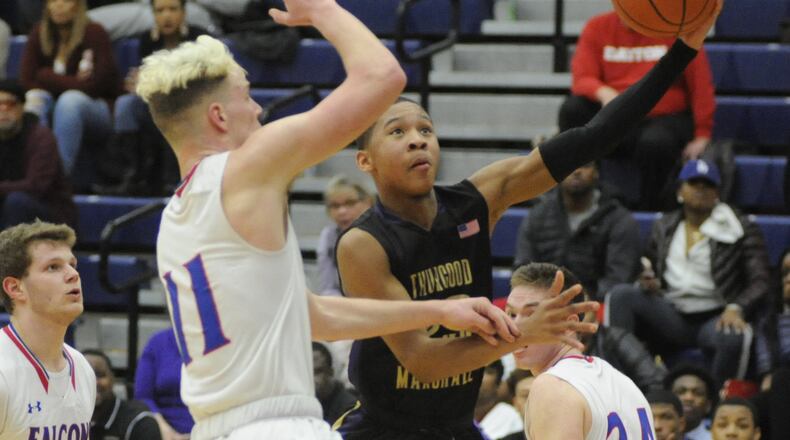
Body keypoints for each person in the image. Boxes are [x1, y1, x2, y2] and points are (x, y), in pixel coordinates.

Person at [137, 1, 527, 438]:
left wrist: (441, 310)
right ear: (219, 117)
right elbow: (383, 78)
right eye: (247, 97)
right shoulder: (243, 169)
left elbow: (314, 316)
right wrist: (321, 10)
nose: (259, 112)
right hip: (277, 427)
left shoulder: (174, 219)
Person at [334, 3, 720, 437]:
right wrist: (523, 334)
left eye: (425, 129)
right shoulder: (363, 244)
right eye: (397, 132)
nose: (417, 141)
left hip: (458, 426)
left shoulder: (477, 200)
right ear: (365, 160)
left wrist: (682, 52)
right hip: (386, 429)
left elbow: (593, 136)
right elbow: (423, 360)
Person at [607, 159, 772, 387]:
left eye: (708, 185)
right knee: (621, 296)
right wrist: (648, 282)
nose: (700, 190)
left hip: (715, 315)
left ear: (717, 193)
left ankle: (717, 404)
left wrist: (737, 307)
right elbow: (649, 267)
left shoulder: (741, 228)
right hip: (671, 313)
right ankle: (618, 384)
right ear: (680, 191)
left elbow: (761, 280)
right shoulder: (664, 225)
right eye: (694, 183)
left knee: (735, 335)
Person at [560, 10, 716, 210]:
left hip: (662, 119)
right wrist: (603, 92)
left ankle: (651, 211)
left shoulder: (674, 27)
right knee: (573, 109)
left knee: (655, 142)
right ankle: (579, 195)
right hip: (617, 117)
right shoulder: (597, 27)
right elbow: (581, 78)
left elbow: (700, 83)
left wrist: (703, 133)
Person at [505, 263, 656, 439]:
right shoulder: (623, 382)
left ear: (568, 326)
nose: (514, 328)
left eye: (532, 315)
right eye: (511, 314)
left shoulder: (553, 387)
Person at [97, 0, 206, 196]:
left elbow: (199, 81)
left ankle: (170, 178)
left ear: (184, 13)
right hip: (157, 103)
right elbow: (147, 79)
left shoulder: (199, 37)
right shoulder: (148, 40)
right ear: (153, 14)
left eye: (173, 9)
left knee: (170, 108)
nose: (167, 16)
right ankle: (133, 175)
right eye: (160, 10)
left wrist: (156, 79)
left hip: (191, 106)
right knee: (126, 104)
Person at [0, 221, 95, 438]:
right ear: (15, 288)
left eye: (73, 264)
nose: (73, 274)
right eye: (53, 267)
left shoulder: (81, 367)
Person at [513, 161, 640, 300]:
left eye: (585, 165)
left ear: (596, 172)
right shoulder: (537, 216)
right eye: (570, 165)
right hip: (544, 304)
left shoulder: (618, 219)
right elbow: (523, 271)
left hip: (596, 305)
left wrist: (578, 302)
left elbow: (617, 279)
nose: (576, 171)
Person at [19, 0, 119, 176]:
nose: (58, 6)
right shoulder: (39, 33)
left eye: (65, 1)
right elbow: (26, 81)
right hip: (56, 104)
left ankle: (56, 177)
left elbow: (96, 86)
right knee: (35, 98)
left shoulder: (94, 32)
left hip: (99, 108)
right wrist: (63, 83)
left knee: (70, 100)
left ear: (77, 5)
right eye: (53, 1)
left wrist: (46, 76)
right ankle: (30, 171)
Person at [0, 79, 76, 229]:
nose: (3, 109)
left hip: (51, 216)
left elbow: (36, 186)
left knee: (17, 201)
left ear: (22, 107)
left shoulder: (41, 137)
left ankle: (13, 252)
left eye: (10, 104)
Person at [84, 349, 162, 440]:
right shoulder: (66, 417)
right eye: (84, 376)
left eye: (100, 375)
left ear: (113, 379)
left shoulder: (139, 421)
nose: (93, 382)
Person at [317, 175, 373, 297]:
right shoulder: (328, 236)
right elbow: (328, 288)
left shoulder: (382, 232)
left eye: (350, 203)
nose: (342, 211)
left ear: (368, 202)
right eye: (335, 206)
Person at [134, 328, 194, 440]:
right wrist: (165, 431)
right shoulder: (157, 343)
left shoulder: (220, 341)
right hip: (162, 431)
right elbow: (143, 397)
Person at [665, 363, 717, 440]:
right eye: (680, 392)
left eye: (698, 393)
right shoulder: (652, 435)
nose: (688, 398)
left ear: (708, 405)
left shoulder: (717, 437)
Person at [475, 359, 523, 440]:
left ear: (499, 384)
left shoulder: (511, 418)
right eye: (473, 371)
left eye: (487, 372)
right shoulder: (452, 416)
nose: (478, 377)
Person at [312, 342, 357, 425]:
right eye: (307, 372)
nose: (313, 379)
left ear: (331, 372)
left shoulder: (350, 409)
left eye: (318, 372)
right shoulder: (307, 406)